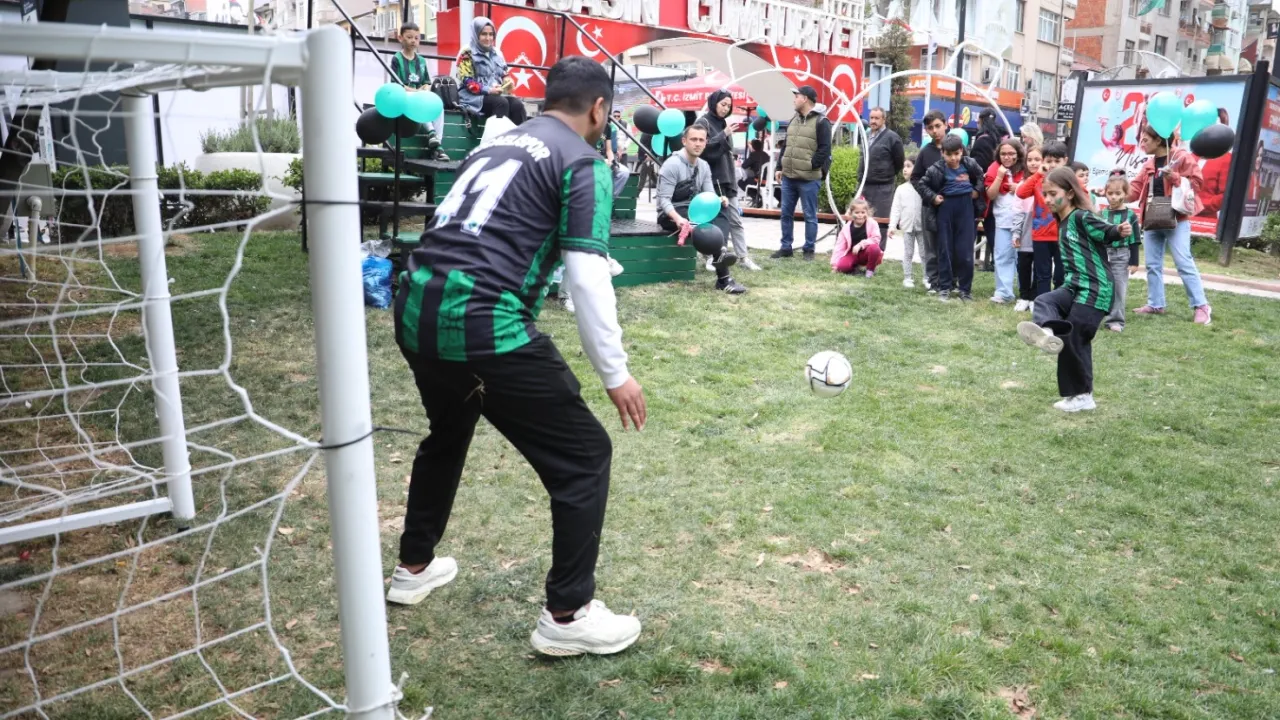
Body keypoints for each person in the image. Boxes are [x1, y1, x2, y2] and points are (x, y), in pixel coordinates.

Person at [388, 57, 644, 657]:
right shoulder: (581, 160)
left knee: (448, 431)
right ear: (599, 108)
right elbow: (585, 276)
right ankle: (568, 614)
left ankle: (413, 566)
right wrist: (616, 373)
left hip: (416, 308)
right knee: (584, 456)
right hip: (482, 323)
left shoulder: (496, 144)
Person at [1017, 167, 1133, 413]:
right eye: (1045, 194)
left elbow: (1105, 230)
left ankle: (1083, 396)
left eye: (1053, 194)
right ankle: (1047, 333)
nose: (1047, 199)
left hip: (1095, 288)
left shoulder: (1081, 217)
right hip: (1073, 286)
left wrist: (1118, 230)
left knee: (1074, 337)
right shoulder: (1062, 222)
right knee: (1044, 301)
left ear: (1070, 193)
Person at [1129, 124, 1212, 325]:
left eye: (1145, 140)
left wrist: (1174, 177)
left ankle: (1201, 306)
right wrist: (1111, 191)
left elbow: (1197, 184)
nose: (1142, 144)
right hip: (1152, 217)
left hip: (1177, 219)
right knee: (1152, 265)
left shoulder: (1181, 157)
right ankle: (1156, 304)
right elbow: (1135, 189)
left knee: (1183, 262)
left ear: (1159, 140)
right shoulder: (1149, 164)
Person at [656, 124, 747, 294]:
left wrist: (719, 200)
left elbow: (709, 196)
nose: (697, 144)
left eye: (701, 140)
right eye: (693, 139)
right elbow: (664, 201)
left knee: (722, 208)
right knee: (700, 222)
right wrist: (678, 219)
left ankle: (721, 249)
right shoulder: (672, 164)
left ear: (706, 142)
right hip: (671, 214)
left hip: (693, 210)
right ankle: (724, 279)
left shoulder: (704, 165)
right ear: (684, 141)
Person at [919, 134, 986, 302]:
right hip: (945, 208)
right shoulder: (936, 168)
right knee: (945, 250)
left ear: (962, 151)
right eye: (949, 154)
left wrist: (977, 191)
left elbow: (981, 177)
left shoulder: (970, 163)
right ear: (942, 153)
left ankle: (965, 290)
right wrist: (933, 197)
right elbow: (922, 184)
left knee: (965, 252)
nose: (953, 158)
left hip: (966, 208)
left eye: (956, 153)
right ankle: (944, 288)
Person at [697, 90, 759, 270]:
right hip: (712, 179)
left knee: (735, 219)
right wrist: (722, 134)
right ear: (714, 103)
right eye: (723, 104)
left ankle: (743, 257)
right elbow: (702, 148)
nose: (725, 108)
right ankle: (712, 256)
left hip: (727, 178)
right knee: (713, 220)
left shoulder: (724, 123)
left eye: (728, 106)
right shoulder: (703, 122)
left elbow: (726, 150)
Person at [771, 85, 832, 260]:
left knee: (810, 215)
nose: (794, 100)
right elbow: (786, 146)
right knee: (785, 213)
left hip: (809, 178)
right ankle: (786, 247)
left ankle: (809, 249)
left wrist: (811, 165)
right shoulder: (794, 120)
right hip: (789, 177)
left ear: (805, 99)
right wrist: (779, 167)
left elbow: (825, 149)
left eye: (796, 96)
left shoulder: (822, 122)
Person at [1017, 140, 1068, 297]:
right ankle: (1043, 305)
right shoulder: (1038, 179)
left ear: (1065, 160)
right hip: (1041, 235)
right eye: (1049, 161)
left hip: (1063, 235)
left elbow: (1082, 195)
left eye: (1057, 161)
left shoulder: (1069, 180)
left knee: (1061, 275)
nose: (1053, 165)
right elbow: (1021, 193)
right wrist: (1038, 173)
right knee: (1042, 274)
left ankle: (1060, 303)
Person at [391, 23, 449, 161]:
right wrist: (417, 91)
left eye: (416, 38)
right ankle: (433, 136)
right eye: (409, 37)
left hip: (419, 96)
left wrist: (425, 89)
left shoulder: (421, 60)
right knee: (419, 99)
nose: (413, 41)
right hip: (405, 97)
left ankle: (437, 143)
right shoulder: (397, 59)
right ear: (400, 38)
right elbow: (397, 85)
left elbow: (427, 82)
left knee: (438, 104)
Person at [455, 17, 527, 125]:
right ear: (476, 34)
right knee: (501, 103)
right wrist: (489, 90)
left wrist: (507, 81)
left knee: (517, 105)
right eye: (484, 34)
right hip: (472, 97)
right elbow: (468, 82)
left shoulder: (497, 53)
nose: (488, 38)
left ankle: (519, 135)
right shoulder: (466, 53)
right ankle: (496, 135)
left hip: (494, 94)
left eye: (491, 34)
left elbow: (504, 73)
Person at [911, 110, 950, 292]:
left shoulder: (956, 147)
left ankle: (950, 281)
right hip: (930, 207)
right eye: (930, 128)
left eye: (937, 126)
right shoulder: (926, 152)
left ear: (945, 125)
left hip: (953, 206)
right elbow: (915, 178)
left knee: (950, 245)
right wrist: (931, 196)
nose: (935, 131)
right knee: (931, 246)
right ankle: (934, 282)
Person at [985, 138, 1026, 304]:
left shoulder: (1026, 168)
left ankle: (1026, 293)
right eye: (1003, 154)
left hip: (1024, 222)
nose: (1007, 157)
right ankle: (1004, 293)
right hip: (1003, 220)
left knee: (1023, 259)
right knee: (1002, 256)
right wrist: (1000, 176)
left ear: (1018, 154)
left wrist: (1020, 188)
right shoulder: (994, 168)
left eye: (1011, 153)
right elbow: (991, 195)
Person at [1099, 171, 1141, 332]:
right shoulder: (1102, 214)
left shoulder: (1130, 215)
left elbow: (1135, 240)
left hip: (1121, 255)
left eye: (1118, 193)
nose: (1113, 197)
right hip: (1103, 255)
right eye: (1110, 193)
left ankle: (1115, 320)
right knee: (1102, 287)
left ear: (1125, 193)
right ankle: (1097, 316)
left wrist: (1134, 262)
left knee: (1118, 288)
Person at [860, 106, 905, 250]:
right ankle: (863, 252)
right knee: (862, 219)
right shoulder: (866, 135)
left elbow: (899, 162)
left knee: (880, 222)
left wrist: (885, 174)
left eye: (876, 118)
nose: (873, 121)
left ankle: (878, 253)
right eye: (871, 118)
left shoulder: (892, 138)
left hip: (883, 187)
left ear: (884, 119)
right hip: (864, 185)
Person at [971, 109, 1004, 272]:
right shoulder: (1000, 138)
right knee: (993, 227)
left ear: (980, 121)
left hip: (983, 190)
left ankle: (968, 258)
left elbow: (978, 167)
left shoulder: (982, 140)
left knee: (978, 224)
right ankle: (998, 262)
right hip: (997, 188)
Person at [1013, 147, 1042, 312]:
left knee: (1040, 266)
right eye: (1030, 160)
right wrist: (1016, 233)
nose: (1033, 163)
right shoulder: (1022, 185)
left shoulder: (1049, 183)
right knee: (1023, 264)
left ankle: (1034, 297)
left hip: (1043, 231)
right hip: (1026, 230)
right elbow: (1017, 211)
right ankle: (1024, 296)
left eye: (1037, 159)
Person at [889, 156, 924, 288]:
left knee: (924, 254)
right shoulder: (901, 189)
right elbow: (896, 208)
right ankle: (907, 277)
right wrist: (892, 226)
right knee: (908, 253)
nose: (905, 169)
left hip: (922, 227)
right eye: (904, 166)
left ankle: (928, 277)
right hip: (908, 227)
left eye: (908, 166)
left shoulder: (923, 186)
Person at [831, 197, 884, 277]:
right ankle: (854, 267)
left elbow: (876, 239)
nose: (860, 215)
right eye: (857, 212)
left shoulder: (872, 223)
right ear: (851, 213)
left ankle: (870, 271)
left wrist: (860, 245)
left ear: (867, 212)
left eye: (863, 212)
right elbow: (839, 247)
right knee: (842, 267)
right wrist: (835, 265)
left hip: (866, 252)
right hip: (852, 253)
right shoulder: (846, 228)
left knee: (875, 248)